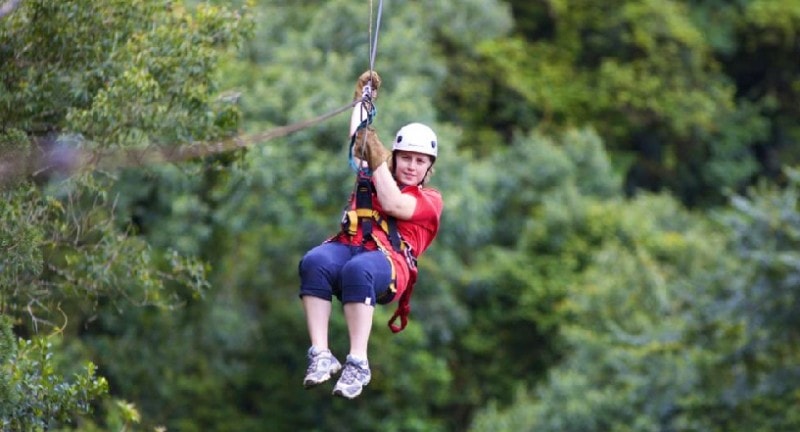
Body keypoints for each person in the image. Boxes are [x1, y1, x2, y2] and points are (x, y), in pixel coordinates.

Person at [297, 70, 444, 399]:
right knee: (314, 261)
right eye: (405, 158)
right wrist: (363, 101)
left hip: (388, 264)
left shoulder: (429, 201)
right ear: (395, 158)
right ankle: (320, 354)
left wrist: (378, 158)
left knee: (357, 270)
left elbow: (393, 203)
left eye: (420, 161)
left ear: (428, 167)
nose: (411, 166)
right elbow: (359, 138)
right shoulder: (377, 172)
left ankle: (358, 362)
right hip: (349, 245)